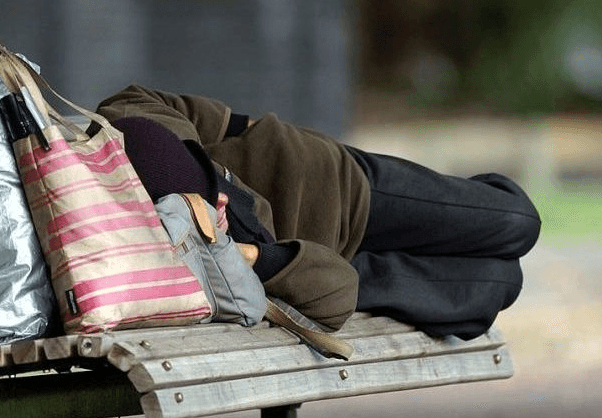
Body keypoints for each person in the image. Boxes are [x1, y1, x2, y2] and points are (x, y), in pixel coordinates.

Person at [95, 85, 541, 340]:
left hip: (342, 186)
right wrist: (251, 257)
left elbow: (134, 101)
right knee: (497, 284)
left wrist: (247, 133)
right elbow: (340, 289)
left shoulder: (135, 150)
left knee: (518, 221)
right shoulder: (202, 262)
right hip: (328, 265)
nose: (223, 209)